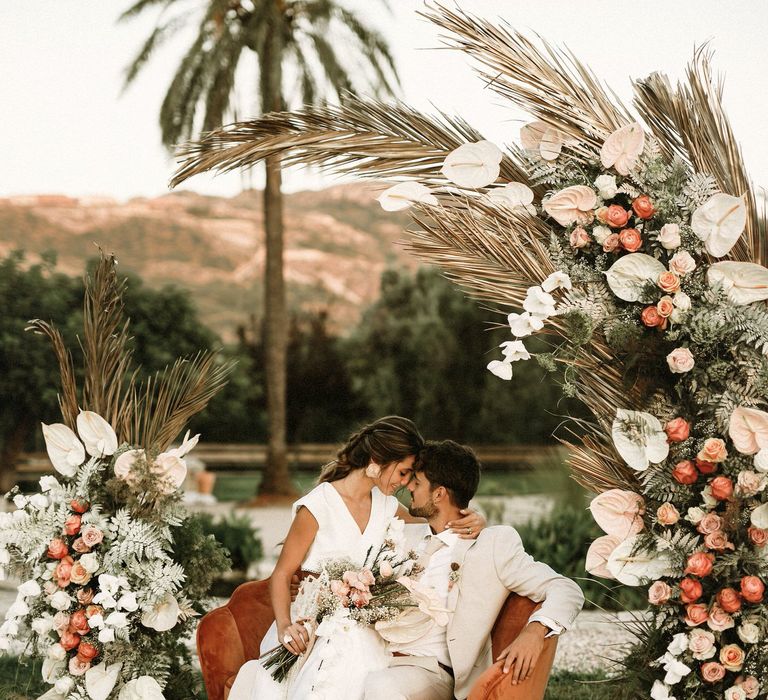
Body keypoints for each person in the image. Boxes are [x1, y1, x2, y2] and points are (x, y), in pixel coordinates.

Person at [227, 418, 485, 700]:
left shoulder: (387, 506)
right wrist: (284, 625)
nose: (404, 483)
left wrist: (474, 517)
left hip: (363, 633)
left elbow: (438, 517)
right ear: (377, 460)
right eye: (402, 472)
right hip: (312, 626)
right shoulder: (319, 505)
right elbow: (281, 573)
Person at [365, 440, 585, 700]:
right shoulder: (401, 536)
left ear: (439, 494)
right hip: (374, 652)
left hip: (429, 670)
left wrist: (535, 631)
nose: (409, 486)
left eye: (418, 482)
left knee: (380, 687)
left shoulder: (492, 545)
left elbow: (566, 588)